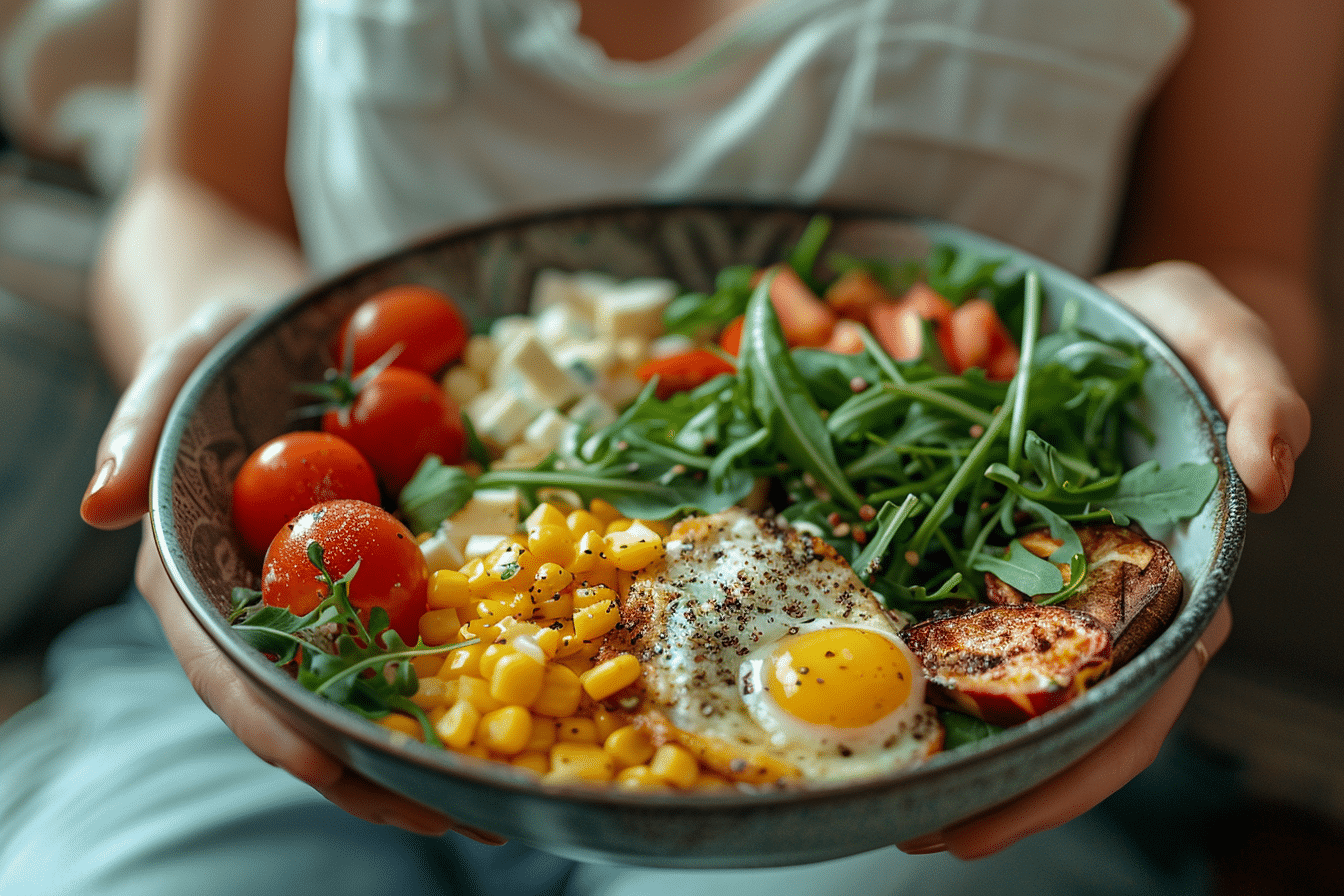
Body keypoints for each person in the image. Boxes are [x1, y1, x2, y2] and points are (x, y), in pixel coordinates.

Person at [0, 0, 1336, 892]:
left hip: (935, 771)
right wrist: (217, 401)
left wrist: (1187, 392)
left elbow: (1241, 251)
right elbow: (193, 187)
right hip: (330, 622)